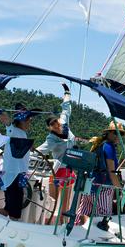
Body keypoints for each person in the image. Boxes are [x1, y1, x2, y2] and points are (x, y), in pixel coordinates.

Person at [76, 122, 125, 231]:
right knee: (102, 220)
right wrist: (121, 190)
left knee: (82, 215)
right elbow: (111, 172)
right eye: (115, 133)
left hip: (89, 187)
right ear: (108, 133)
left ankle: (76, 233)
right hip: (102, 189)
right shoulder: (109, 147)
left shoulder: (99, 145)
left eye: (120, 134)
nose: (118, 136)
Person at [37, 85, 76, 221]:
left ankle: (62, 226)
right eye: (53, 124)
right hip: (57, 170)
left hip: (69, 169)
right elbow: (39, 151)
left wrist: (67, 93)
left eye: (56, 122)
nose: (56, 125)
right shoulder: (51, 139)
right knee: (52, 203)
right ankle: (47, 225)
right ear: (50, 127)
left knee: (64, 205)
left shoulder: (64, 122)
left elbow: (66, 107)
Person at [0, 105, 36, 220]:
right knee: (14, 210)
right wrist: (4, 117)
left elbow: (21, 146)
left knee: (8, 207)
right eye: (28, 121)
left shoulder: (22, 134)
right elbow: (8, 125)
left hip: (18, 174)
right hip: (13, 175)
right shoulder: (13, 131)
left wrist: (30, 146)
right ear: (22, 121)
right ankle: (8, 235)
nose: (30, 123)